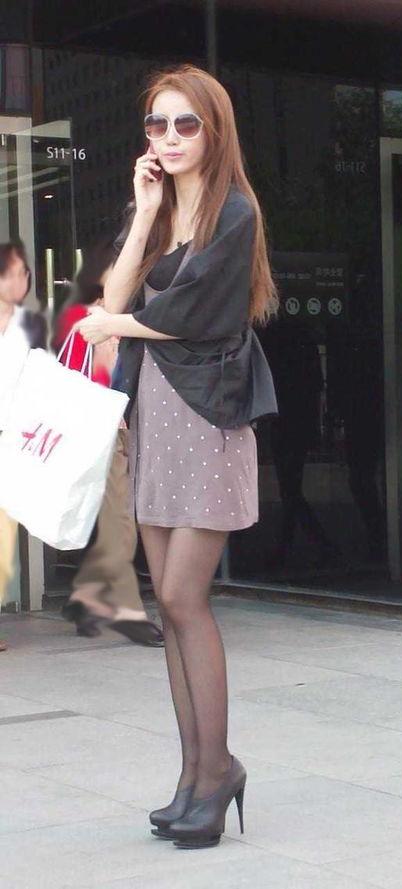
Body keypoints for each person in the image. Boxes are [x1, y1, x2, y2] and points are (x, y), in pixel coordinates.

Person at [73, 64, 278, 849]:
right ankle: (194, 775)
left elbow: (199, 317)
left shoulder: (236, 212)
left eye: (184, 123)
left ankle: (218, 768)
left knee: (187, 597)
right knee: (167, 601)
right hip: (157, 412)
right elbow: (116, 293)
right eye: (156, 124)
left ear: (213, 128)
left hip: (210, 412)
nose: (168, 137)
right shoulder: (161, 206)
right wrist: (146, 212)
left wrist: (114, 327)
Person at [53, 241, 163, 646]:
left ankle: (84, 601)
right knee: (119, 522)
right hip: (103, 430)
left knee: (109, 520)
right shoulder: (88, 319)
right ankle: (128, 613)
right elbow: (77, 377)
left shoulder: (125, 318)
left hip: (128, 428)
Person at [0, 241, 46, 652]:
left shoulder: (29, 325)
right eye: (14, 273)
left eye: (25, 273)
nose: (23, 279)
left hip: (13, 439)